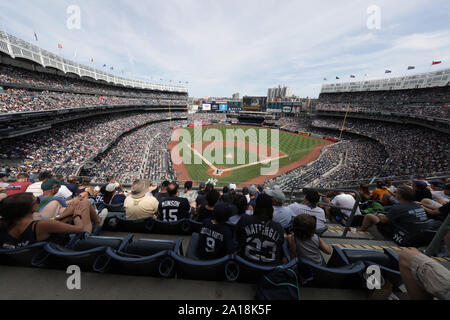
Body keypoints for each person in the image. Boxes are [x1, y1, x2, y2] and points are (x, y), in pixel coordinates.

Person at [359, 186, 439, 247]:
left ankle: (360, 231)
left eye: (396, 193)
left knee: (369, 216)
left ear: (399, 196)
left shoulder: (397, 208)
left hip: (406, 238)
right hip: (420, 236)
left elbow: (384, 221)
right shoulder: (418, 205)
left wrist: (380, 215)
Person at [0, 193, 85, 248]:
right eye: (37, 200)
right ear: (32, 207)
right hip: (57, 253)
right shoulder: (41, 225)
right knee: (85, 203)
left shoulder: (4, 223)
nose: (38, 202)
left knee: (66, 217)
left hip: (23, 258)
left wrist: (63, 216)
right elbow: (79, 229)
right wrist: (77, 215)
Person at [236, 193, 285, 266]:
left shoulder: (245, 220)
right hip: (269, 272)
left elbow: (237, 240)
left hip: (245, 266)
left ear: (256, 205)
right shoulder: (278, 227)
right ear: (271, 208)